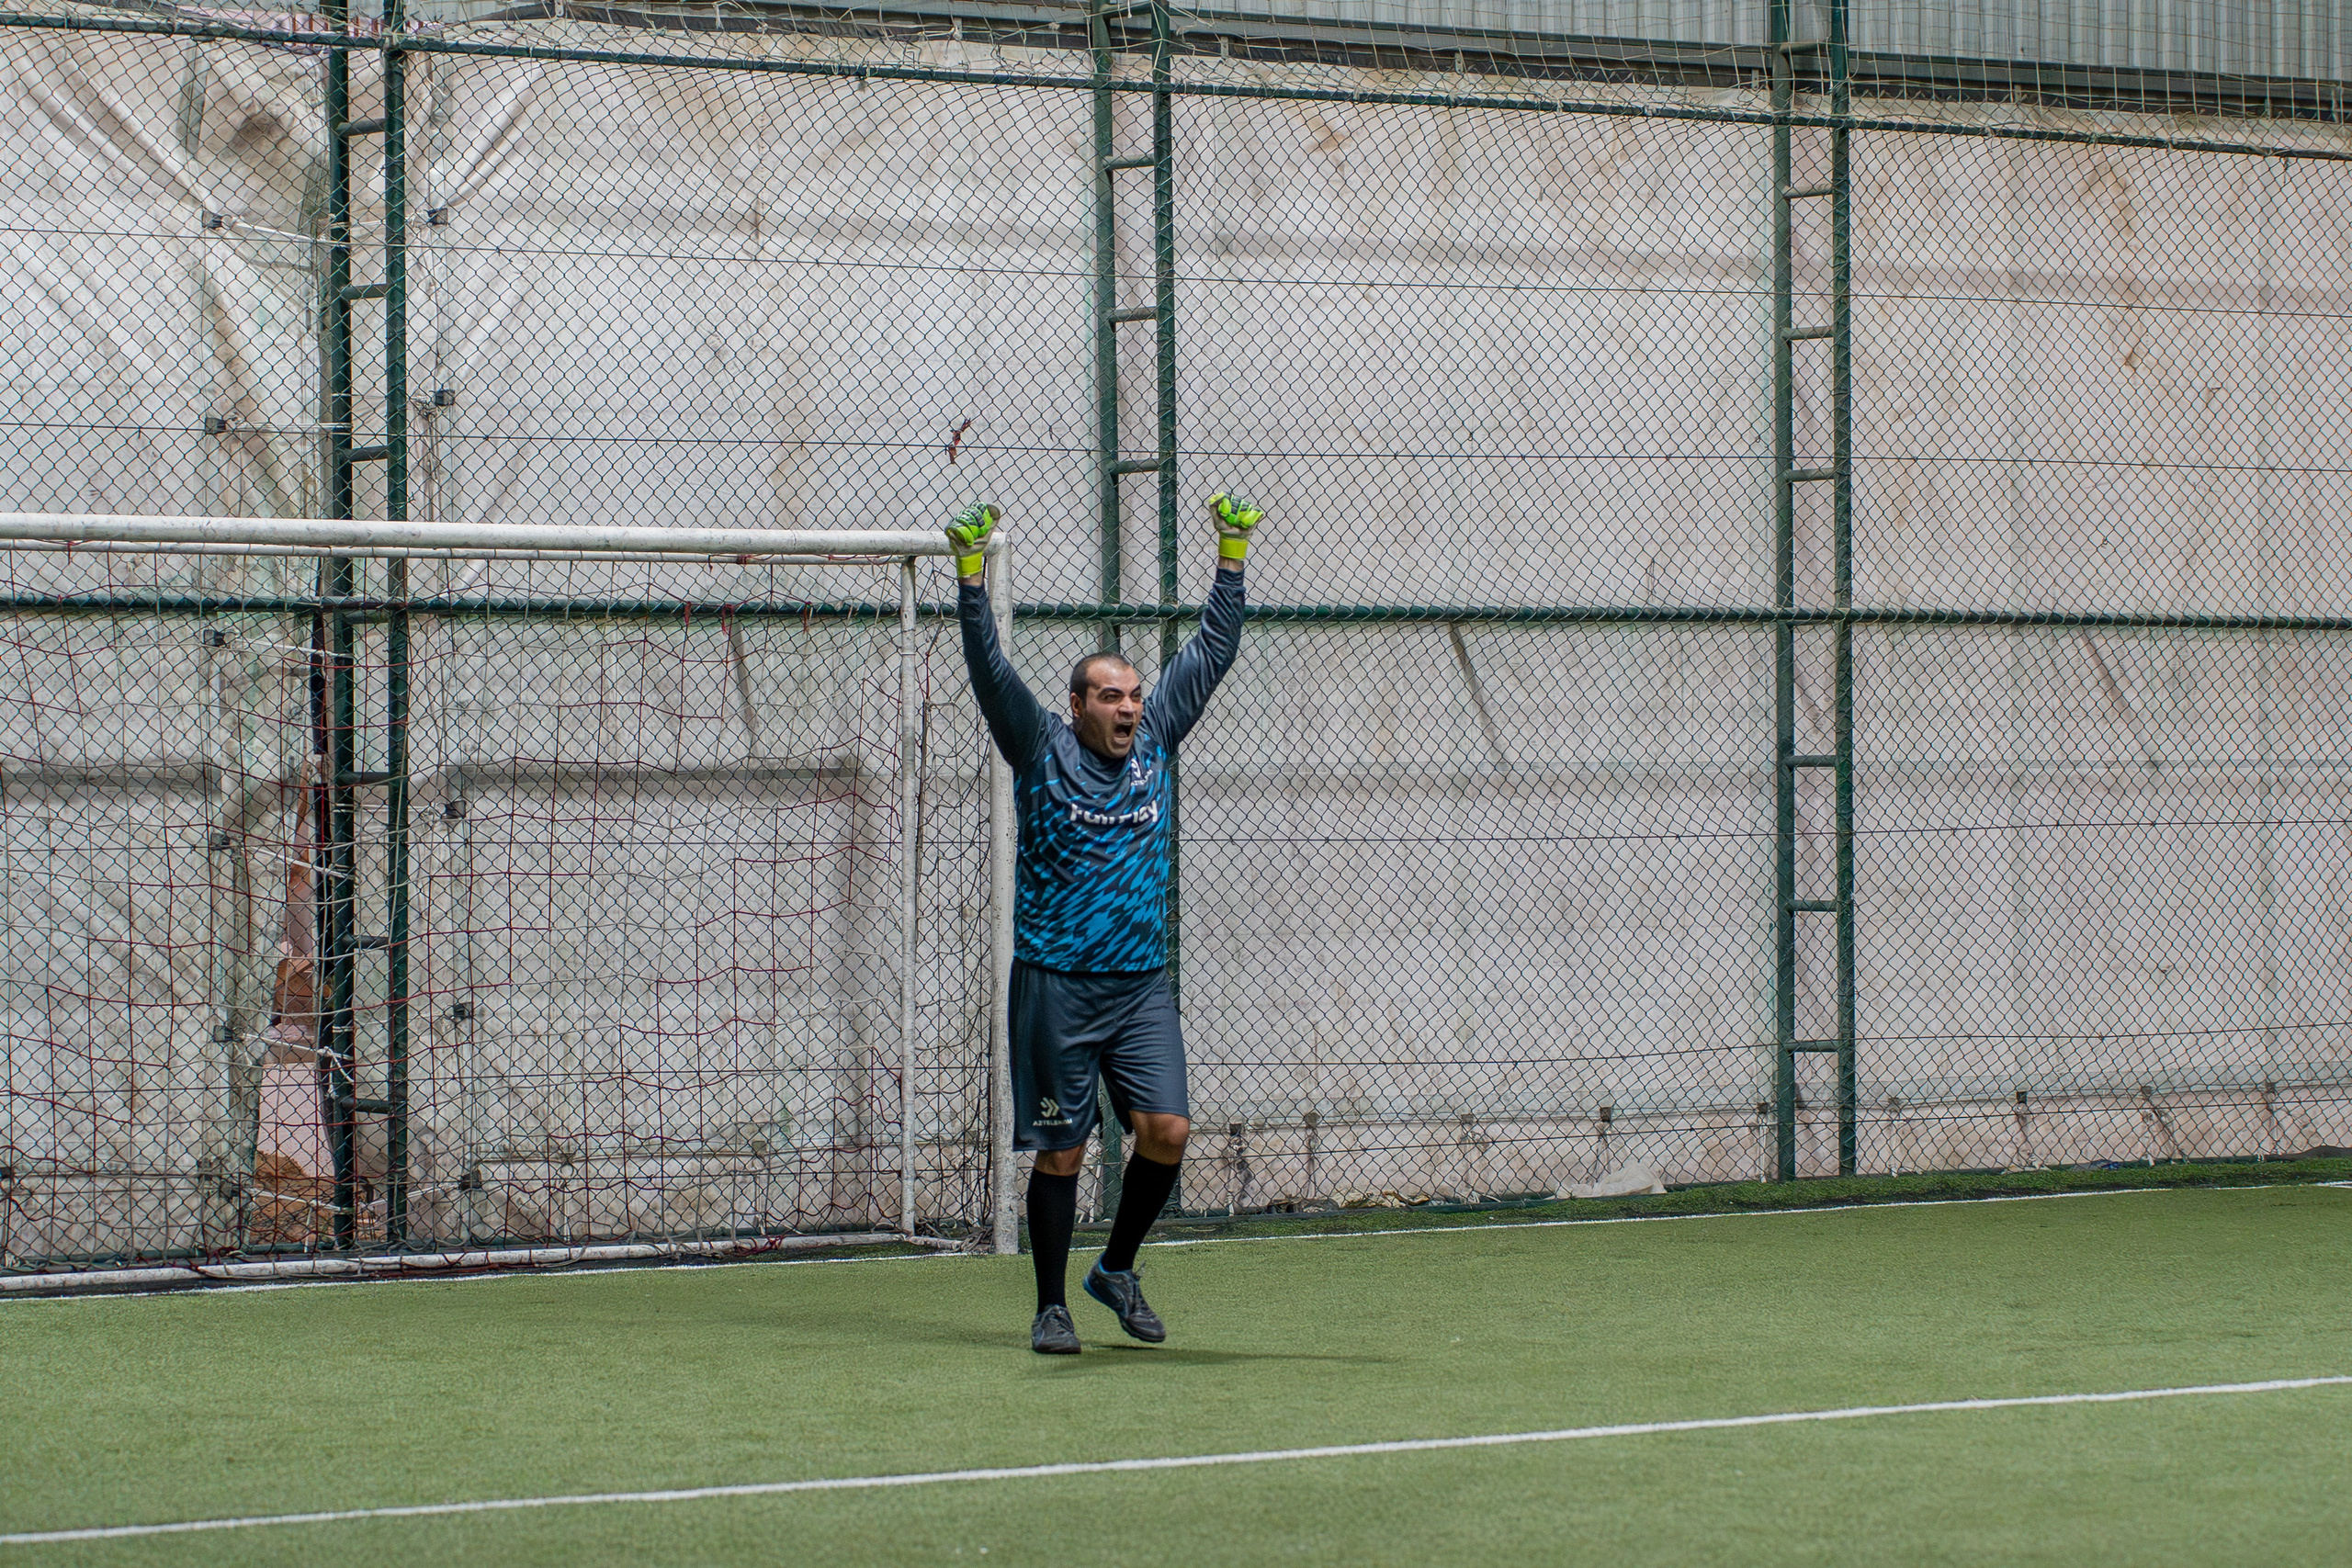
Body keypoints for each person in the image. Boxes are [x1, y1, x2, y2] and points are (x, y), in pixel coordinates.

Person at [947, 491, 1262, 1353]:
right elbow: (989, 668)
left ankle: (1116, 1268)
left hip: (1140, 987)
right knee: (1062, 1153)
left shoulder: (1159, 738)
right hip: (1056, 983)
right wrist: (971, 578)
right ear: (1078, 704)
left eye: (1134, 695)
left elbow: (1214, 649)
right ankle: (1052, 1305)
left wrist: (1231, 552)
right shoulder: (1037, 746)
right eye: (1111, 697)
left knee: (1167, 1130)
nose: (1128, 708)